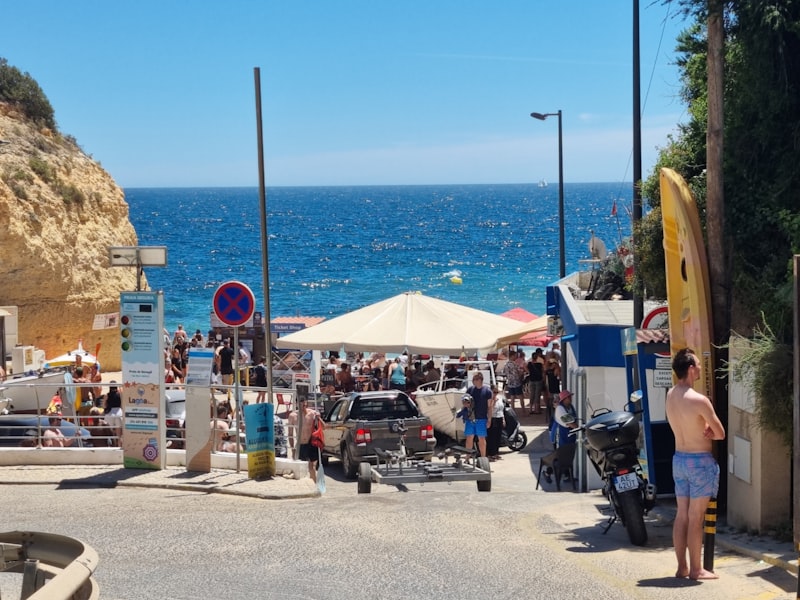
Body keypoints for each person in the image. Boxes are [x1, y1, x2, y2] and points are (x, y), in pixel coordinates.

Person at [666, 348, 725, 580]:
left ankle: (682, 567)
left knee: (682, 515)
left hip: (679, 458)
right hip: (699, 461)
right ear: (691, 369)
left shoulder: (671, 394)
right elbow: (720, 433)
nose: (700, 367)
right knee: (695, 517)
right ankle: (697, 569)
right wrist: (709, 430)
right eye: (698, 364)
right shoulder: (699, 400)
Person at [289, 398, 321, 482]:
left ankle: (315, 485)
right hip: (300, 444)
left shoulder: (312, 414)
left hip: (310, 443)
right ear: (296, 403)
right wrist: (292, 448)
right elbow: (290, 434)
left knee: (312, 467)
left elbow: (322, 427)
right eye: (301, 403)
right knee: (301, 468)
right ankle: (303, 485)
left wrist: (319, 417)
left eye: (305, 403)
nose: (303, 405)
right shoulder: (293, 416)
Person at [464, 372, 492, 458]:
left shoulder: (487, 391)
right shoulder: (470, 390)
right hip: (471, 418)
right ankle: (467, 457)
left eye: (475, 379)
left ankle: (483, 457)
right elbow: (465, 403)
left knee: (482, 438)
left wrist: (489, 419)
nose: (473, 381)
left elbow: (489, 406)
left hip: (482, 418)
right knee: (469, 437)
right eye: (473, 380)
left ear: (480, 380)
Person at [486, 385, 505, 461]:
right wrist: (493, 401)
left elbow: (501, 409)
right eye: (494, 392)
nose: (496, 394)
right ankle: (491, 453)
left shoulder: (500, 399)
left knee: (498, 436)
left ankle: (496, 453)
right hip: (493, 418)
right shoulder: (489, 399)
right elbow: (490, 409)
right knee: (492, 437)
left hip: (499, 417)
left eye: (497, 392)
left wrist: (503, 419)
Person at [104, 381, 123, 446]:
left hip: (110, 413)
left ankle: (111, 447)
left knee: (109, 433)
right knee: (119, 435)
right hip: (118, 412)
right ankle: (119, 447)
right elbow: (122, 405)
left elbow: (104, 405)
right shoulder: (119, 394)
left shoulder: (107, 395)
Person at [527, 348, 545, 415]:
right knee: (537, 395)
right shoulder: (540, 363)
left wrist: (529, 372)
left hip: (531, 380)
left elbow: (524, 366)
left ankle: (530, 409)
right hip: (538, 380)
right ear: (537, 356)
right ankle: (537, 409)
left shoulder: (529, 363)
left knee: (532, 394)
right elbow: (543, 371)